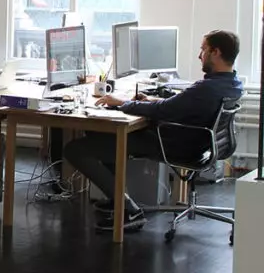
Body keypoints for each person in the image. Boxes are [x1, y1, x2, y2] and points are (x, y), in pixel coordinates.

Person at [64, 29, 244, 233]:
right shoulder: (232, 84)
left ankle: (128, 209)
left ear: (216, 52)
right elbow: (177, 105)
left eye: (203, 50)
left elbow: (163, 111)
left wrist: (123, 103)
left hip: (171, 144)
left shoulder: (207, 89)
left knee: (74, 150)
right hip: (195, 144)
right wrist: (149, 100)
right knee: (99, 134)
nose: (199, 55)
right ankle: (117, 201)